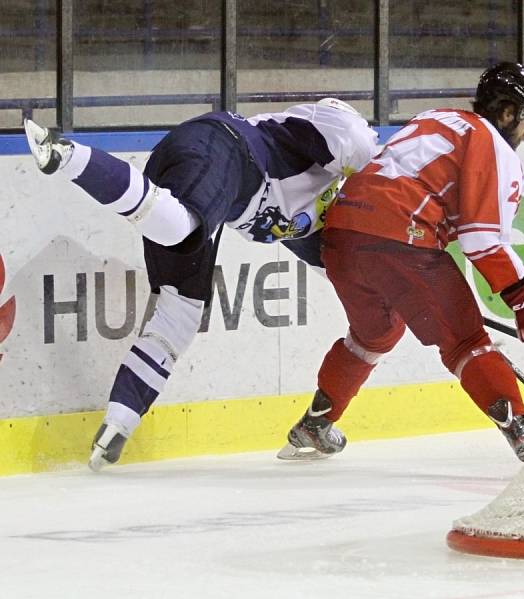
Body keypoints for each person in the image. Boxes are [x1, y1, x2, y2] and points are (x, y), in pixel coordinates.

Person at [24, 98, 379, 470]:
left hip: (199, 183)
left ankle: (116, 427)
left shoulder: (324, 235)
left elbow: (367, 286)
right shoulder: (351, 147)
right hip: (224, 146)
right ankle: (68, 154)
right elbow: (356, 138)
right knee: (182, 230)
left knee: (180, 313)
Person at [279, 62, 524, 463]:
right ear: (509, 112)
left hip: (341, 236)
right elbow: (483, 239)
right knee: (465, 342)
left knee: (375, 334)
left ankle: (314, 424)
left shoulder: (435, 118)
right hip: (400, 238)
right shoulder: (490, 142)